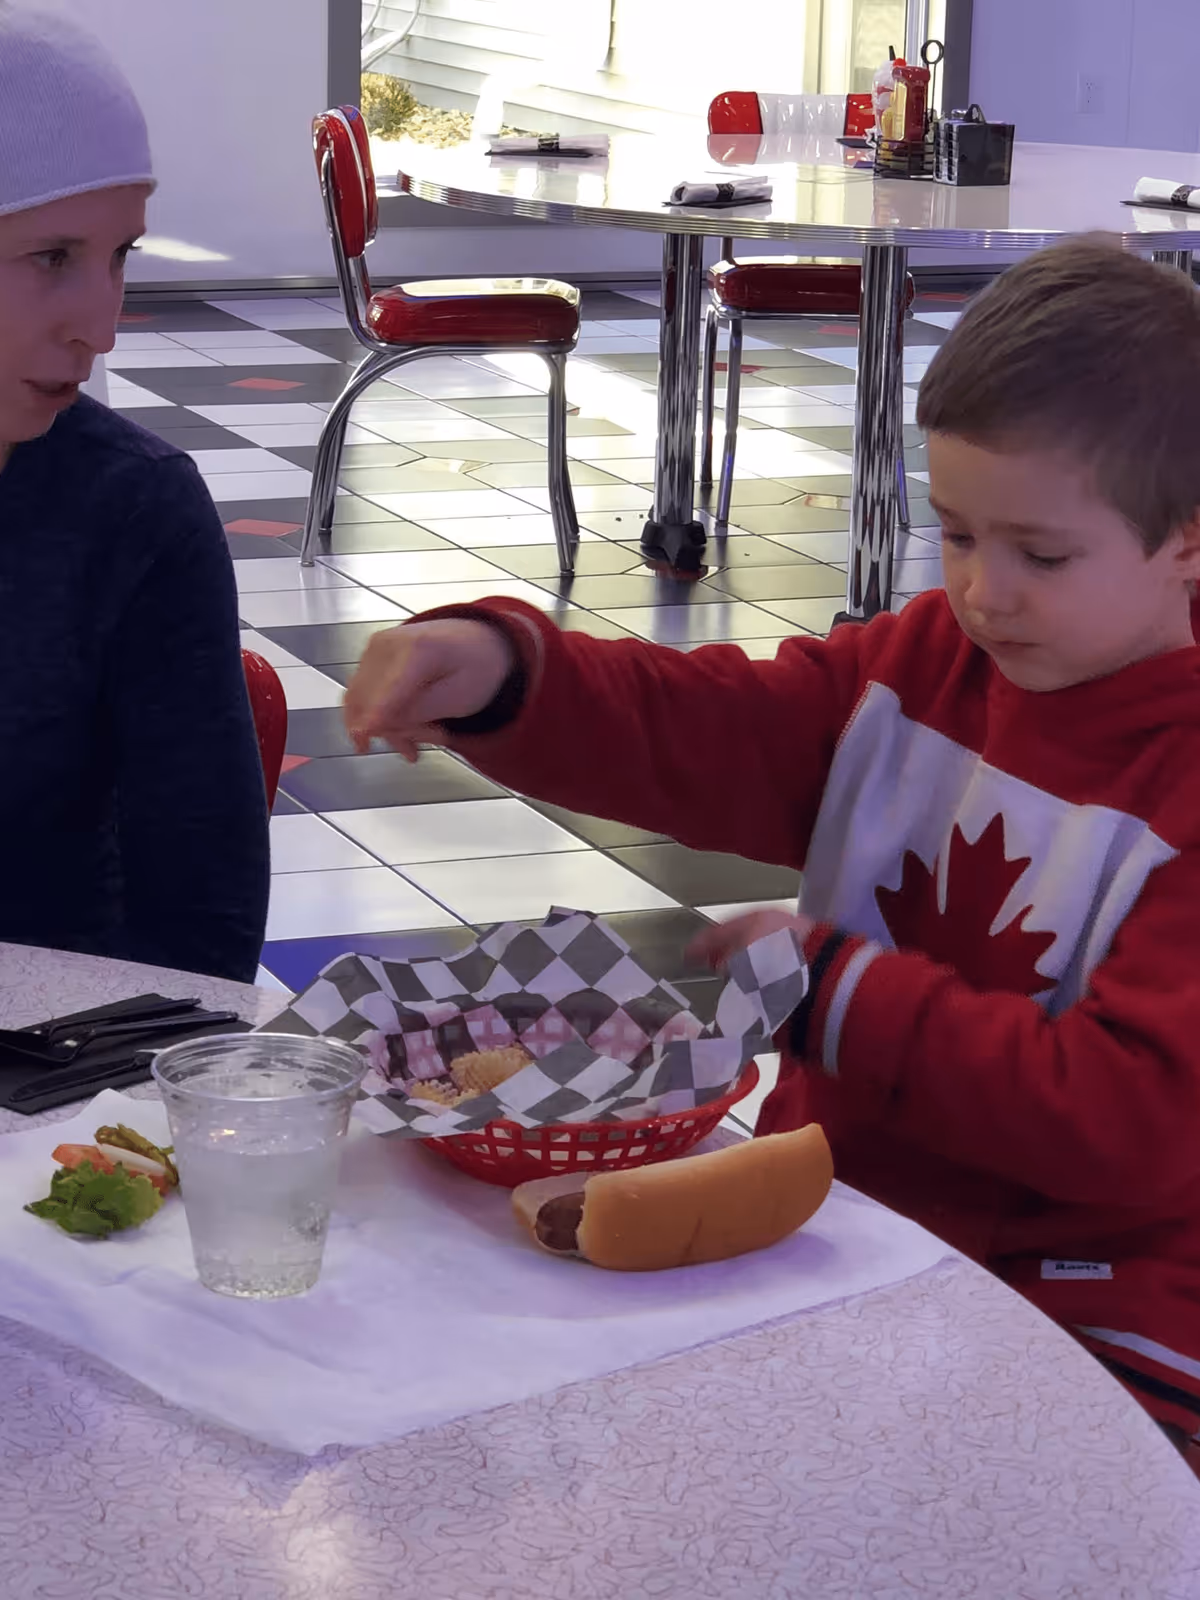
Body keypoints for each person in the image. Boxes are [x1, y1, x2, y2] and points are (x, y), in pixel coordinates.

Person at [344, 237, 1200, 1462]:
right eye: (954, 533)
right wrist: (509, 676)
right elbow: (716, 726)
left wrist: (839, 991)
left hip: (1103, 1298)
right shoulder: (918, 669)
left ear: (1188, 540)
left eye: (1040, 554)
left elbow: (1136, 1121)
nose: (982, 592)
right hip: (834, 1213)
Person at [0, 5, 269, 983]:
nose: (101, 328)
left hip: (52, 1098)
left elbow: (203, 941)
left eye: (120, 257)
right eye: (52, 257)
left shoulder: (135, 515)